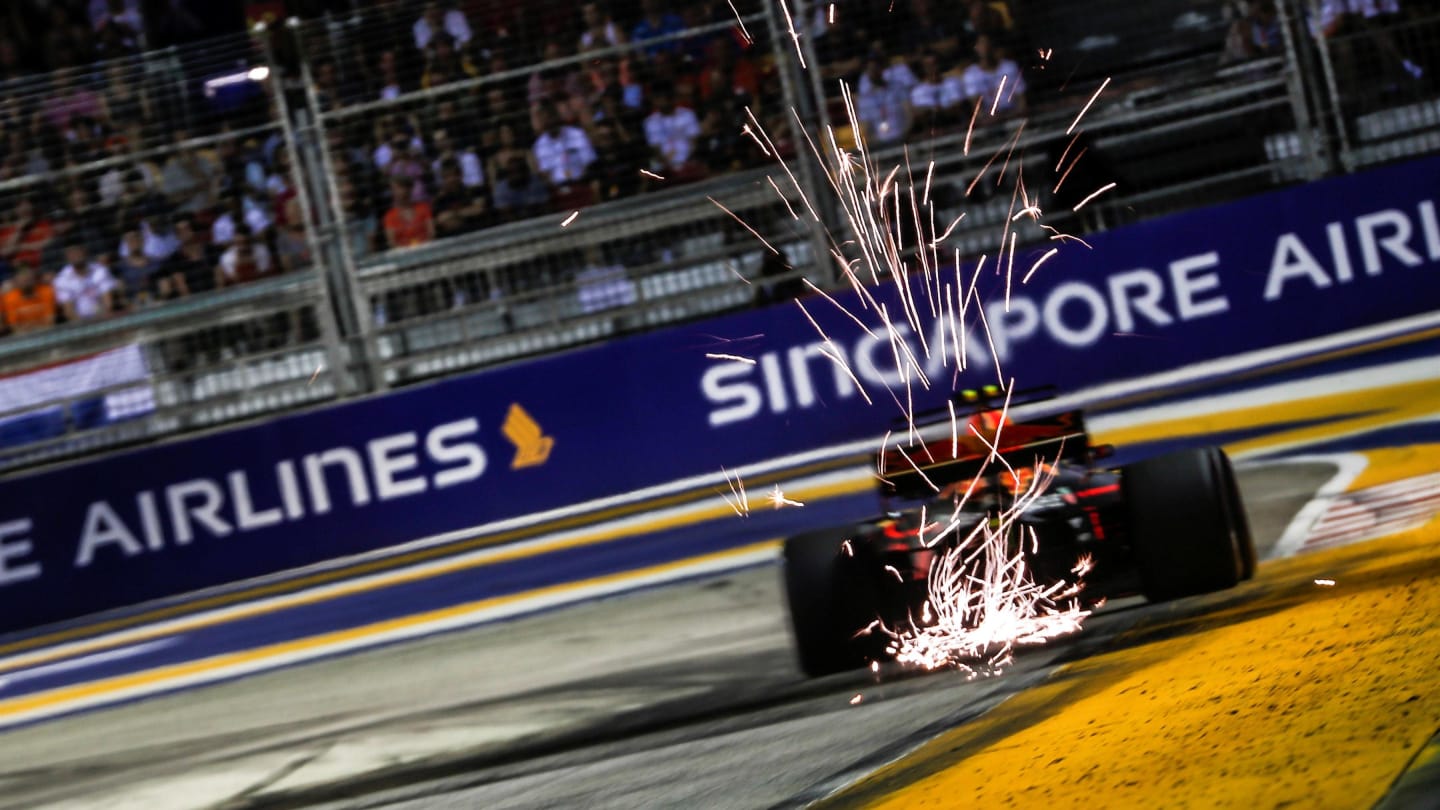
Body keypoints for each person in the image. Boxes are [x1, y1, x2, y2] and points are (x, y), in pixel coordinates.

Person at [53, 244, 117, 321]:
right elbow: (69, 311)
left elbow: (108, 302)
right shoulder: (61, 279)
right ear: (67, 257)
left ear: (85, 252)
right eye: (72, 253)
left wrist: (102, 319)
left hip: (104, 317)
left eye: (78, 252)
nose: (75, 255)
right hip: (80, 324)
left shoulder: (100, 270)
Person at [1, 262, 57, 335]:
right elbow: (15, 328)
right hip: (23, 338)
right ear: (16, 280)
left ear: (34, 277)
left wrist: (33, 328)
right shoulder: (9, 298)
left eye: (28, 277)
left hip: (47, 334)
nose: (26, 278)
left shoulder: (46, 292)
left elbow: (51, 322)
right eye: (22, 276)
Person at [382, 178, 435, 249]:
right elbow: (391, 242)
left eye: (399, 188)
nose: (396, 192)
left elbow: (432, 232)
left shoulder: (423, 207)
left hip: (426, 248)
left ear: (409, 189)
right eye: (393, 189)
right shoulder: (389, 216)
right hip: (403, 254)